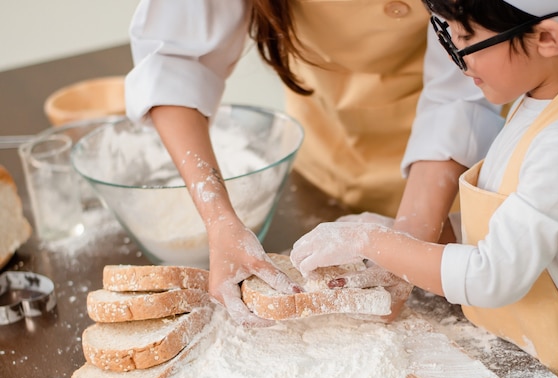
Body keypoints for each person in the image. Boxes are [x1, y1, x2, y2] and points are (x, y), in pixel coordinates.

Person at [290, 0, 558, 378]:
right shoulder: (540, 101)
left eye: (465, 39)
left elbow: (492, 276)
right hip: (529, 356)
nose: (457, 61)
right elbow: (518, 230)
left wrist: (371, 242)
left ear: (546, 38)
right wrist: (397, 235)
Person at [124, 0, 503, 325]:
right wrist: (219, 219)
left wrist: (408, 244)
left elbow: (462, 91)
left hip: (450, 163)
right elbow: (175, 58)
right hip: (325, 143)